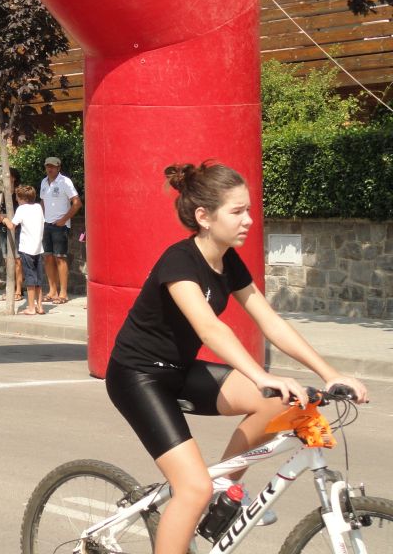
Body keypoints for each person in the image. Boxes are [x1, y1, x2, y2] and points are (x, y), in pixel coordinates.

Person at [105, 161, 368, 554]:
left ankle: (226, 488)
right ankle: (205, 494)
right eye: (237, 211)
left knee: (278, 404)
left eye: (249, 209)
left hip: (179, 370)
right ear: (204, 217)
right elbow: (210, 329)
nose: (248, 219)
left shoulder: (227, 260)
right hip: (137, 376)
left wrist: (331, 374)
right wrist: (261, 376)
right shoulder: (178, 261)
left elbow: (271, 322)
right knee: (192, 489)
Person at [0, 184, 44, 315]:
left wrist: (3, 219)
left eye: (17, 196)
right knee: (38, 278)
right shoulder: (38, 207)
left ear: (21, 198)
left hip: (27, 248)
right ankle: (40, 306)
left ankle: (31, 308)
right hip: (39, 248)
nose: (15, 199)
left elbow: (12, 226)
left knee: (30, 278)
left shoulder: (21, 209)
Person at [38, 156, 81, 305]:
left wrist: (63, 220)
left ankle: (63, 293)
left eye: (53, 166)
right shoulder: (43, 182)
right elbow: (42, 201)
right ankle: (52, 291)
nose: (50, 169)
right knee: (48, 258)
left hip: (60, 226)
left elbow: (77, 203)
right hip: (46, 224)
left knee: (60, 258)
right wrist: (41, 220)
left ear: (58, 168)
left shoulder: (65, 182)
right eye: (47, 166)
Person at [0, 168, 24, 302]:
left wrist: (6, 217)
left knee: (17, 259)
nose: (5, 178)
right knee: (7, 259)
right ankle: (10, 288)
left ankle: (19, 290)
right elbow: (2, 208)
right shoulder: (4, 192)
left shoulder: (19, 191)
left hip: (16, 228)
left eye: (8, 176)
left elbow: (21, 211)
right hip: (3, 227)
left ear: (14, 178)